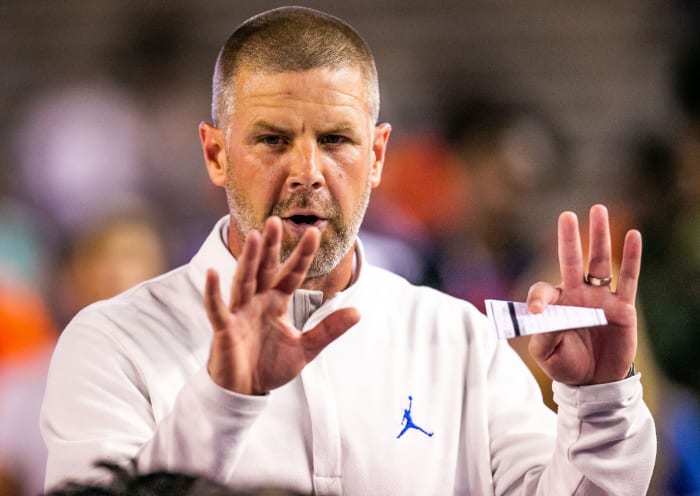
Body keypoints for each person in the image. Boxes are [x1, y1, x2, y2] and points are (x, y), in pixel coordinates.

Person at [41, 6, 656, 495]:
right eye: (272, 140)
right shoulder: (113, 343)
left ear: (379, 155)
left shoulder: (458, 341)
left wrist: (601, 403)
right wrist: (222, 402)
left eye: (336, 139)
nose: (307, 170)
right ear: (215, 154)